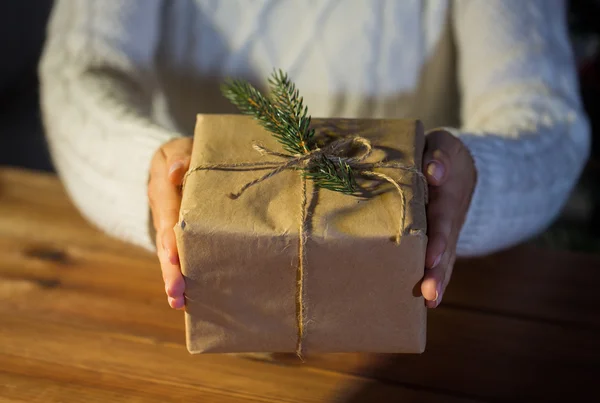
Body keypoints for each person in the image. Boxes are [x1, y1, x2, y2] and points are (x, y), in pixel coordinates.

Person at [39, 0, 590, 311]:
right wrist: (146, 168)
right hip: (190, 288)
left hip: (424, 303)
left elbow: (546, 119)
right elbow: (81, 70)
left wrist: (475, 177)